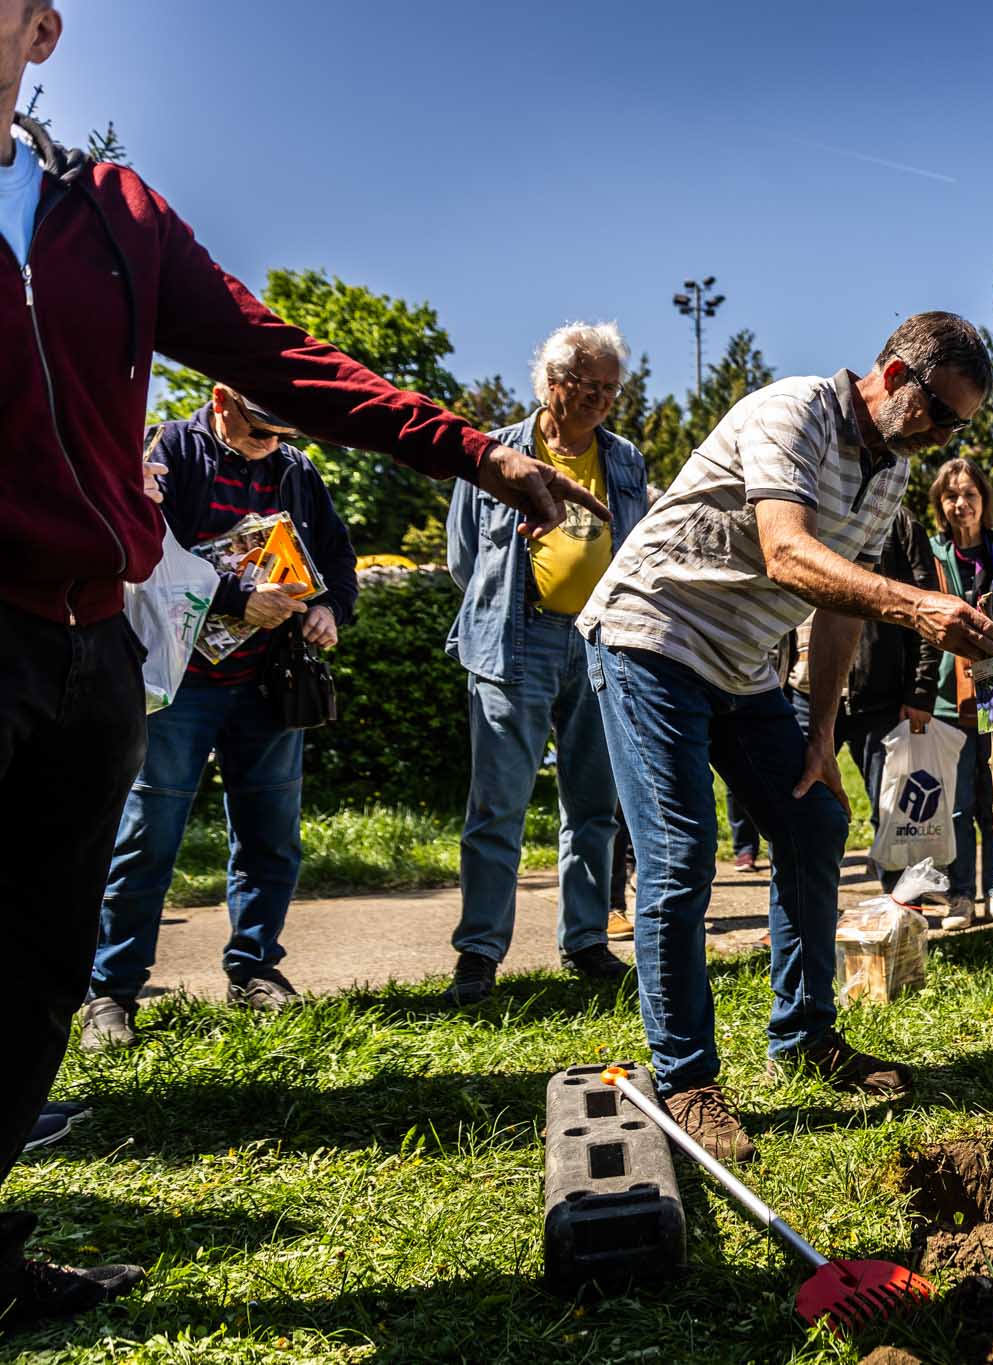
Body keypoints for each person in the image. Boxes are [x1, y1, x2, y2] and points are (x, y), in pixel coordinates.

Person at [0, 3, 602, 1321]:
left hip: (89, 649)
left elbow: (283, 357)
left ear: (41, 32)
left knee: (34, 961)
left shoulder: (111, 216)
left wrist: (471, 448)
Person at [579, 312, 993, 1164]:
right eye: (942, 413)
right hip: (651, 635)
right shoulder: (793, 413)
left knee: (812, 821)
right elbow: (789, 554)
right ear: (892, 374)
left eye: (961, 424)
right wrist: (919, 604)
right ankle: (688, 1080)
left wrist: (820, 739)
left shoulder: (888, 471)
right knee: (680, 852)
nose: (946, 435)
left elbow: (838, 602)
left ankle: (805, 1035)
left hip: (740, 666)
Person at [80, 388, 357, 1049]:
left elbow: (339, 561)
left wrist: (331, 611)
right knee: (146, 838)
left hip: (268, 684)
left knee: (271, 836)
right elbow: (143, 552)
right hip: (178, 685)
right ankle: (111, 992)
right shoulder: (169, 449)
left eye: (280, 431)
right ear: (221, 399)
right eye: (260, 428)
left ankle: (255, 969)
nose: (270, 442)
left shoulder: (294, 467)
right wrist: (238, 597)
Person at [442, 323, 650, 1004]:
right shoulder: (496, 453)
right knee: (497, 805)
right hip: (514, 638)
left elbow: (636, 545)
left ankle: (586, 940)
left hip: (599, 640)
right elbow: (463, 559)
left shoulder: (625, 460)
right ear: (553, 384)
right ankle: (479, 953)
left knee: (594, 805)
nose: (601, 400)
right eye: (589, 386)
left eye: (611, 389)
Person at [791, 505, 943, 890]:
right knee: (798, 810)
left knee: (894, 812)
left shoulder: (900, 521)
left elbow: (926, 605)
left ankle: (902, 914)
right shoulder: (797, 507)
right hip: (802, 690)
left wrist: (920, 691)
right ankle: (799, 921)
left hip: (878, 694)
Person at [928, 456, 993, 929]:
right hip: (948, 695)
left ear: (984, 501)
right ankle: (960, 895)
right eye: (951, 496)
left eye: (969, 495)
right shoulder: (932, 555)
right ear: (941, 505)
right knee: (957, 802)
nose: (961, 504)